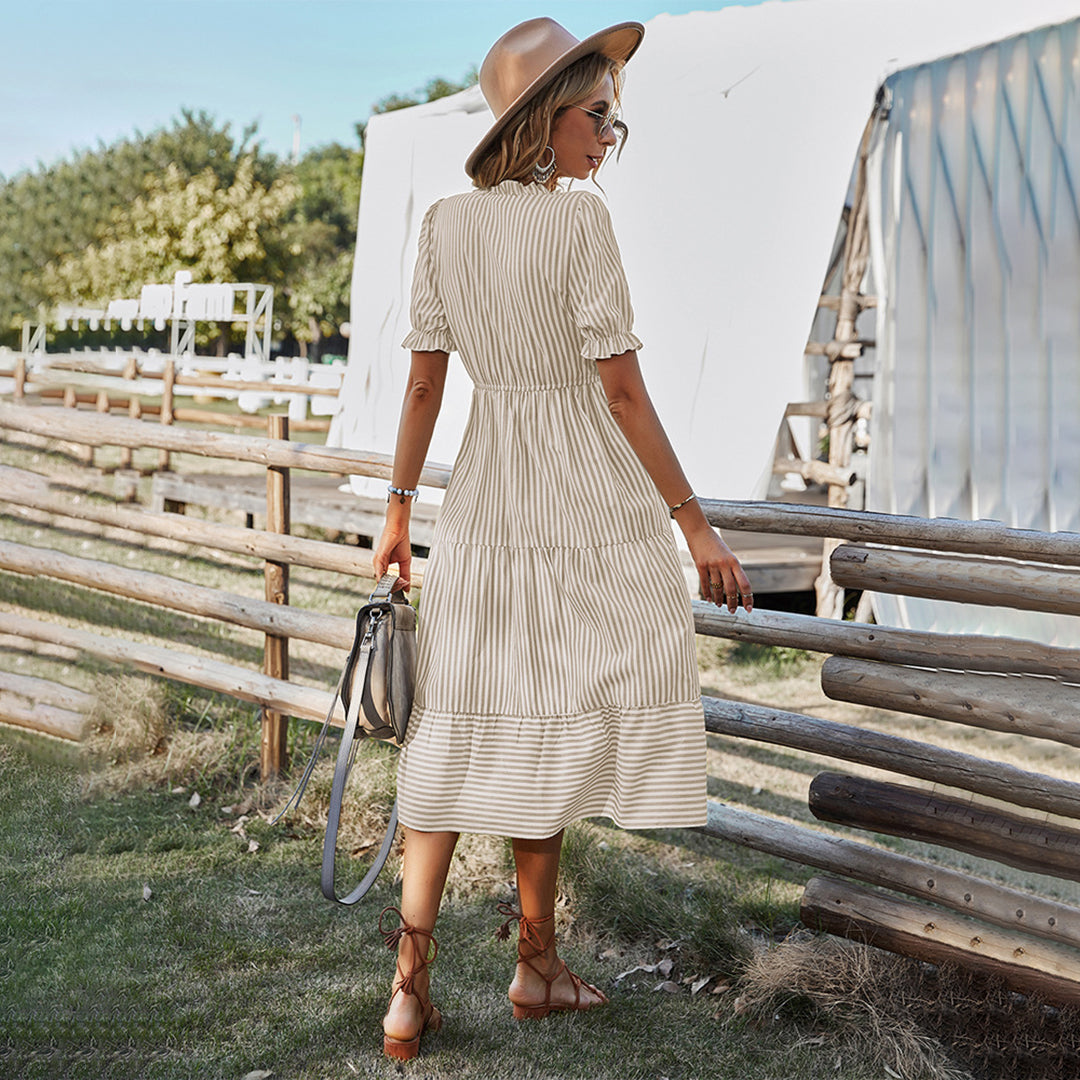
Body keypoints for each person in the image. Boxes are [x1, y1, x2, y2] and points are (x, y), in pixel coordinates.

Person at [371, 16, 753, 1060]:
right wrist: (694, 525)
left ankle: (419, 990)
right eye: (598, 117)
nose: (609, 139)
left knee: (465, 722)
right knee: (555, 710)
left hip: (482, 501)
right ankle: (532, 964)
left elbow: (422, 383)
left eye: (616, 122)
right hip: (580, 496)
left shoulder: (445, 224)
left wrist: (399, 513)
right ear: (543, 120)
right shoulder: (579, 223)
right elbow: (621, 392)